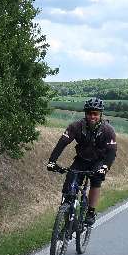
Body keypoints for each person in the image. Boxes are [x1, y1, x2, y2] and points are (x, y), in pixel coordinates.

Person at [46, 97, 117, 226]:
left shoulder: (108, 130)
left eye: (95, 113)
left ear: (100, 114)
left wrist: (105, 167)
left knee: (96, 181)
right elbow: (62, 143)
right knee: (69, 185)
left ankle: (90, 211)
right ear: (85, 114)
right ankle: (67, 215)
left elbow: (112, 152)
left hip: (98, 161)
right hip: (81, 159)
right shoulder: (76, 126)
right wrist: (52, 161)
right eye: (89, 113)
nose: (92, 116)